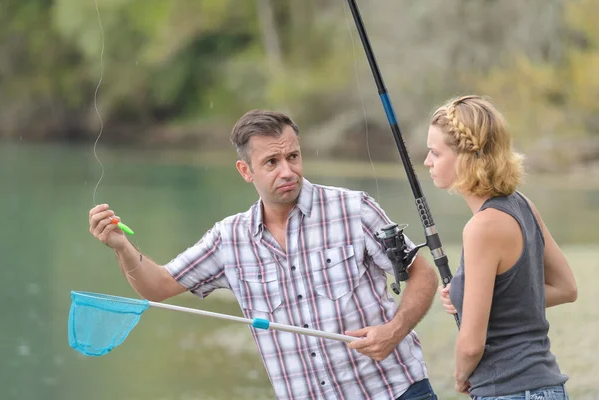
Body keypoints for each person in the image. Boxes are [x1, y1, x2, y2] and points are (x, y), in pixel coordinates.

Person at [89, 109, 441, 400]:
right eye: (271, 162)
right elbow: (158, 287)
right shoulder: (229, 239)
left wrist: (394, 331)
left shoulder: (353, 209)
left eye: (293, 156)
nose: (287, 171)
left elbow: (422, 274)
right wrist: (122, 246)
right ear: (246, 171)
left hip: (398, 392)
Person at [424, 95, 578, 399]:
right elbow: (565, 288)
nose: (428, 161)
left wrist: (459, 377)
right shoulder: (522, 206)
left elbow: (471, 345)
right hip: (548, 387)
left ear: (465, 157)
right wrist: (471, 299)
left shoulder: (481, 228)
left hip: (509, 390)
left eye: (435, 153)